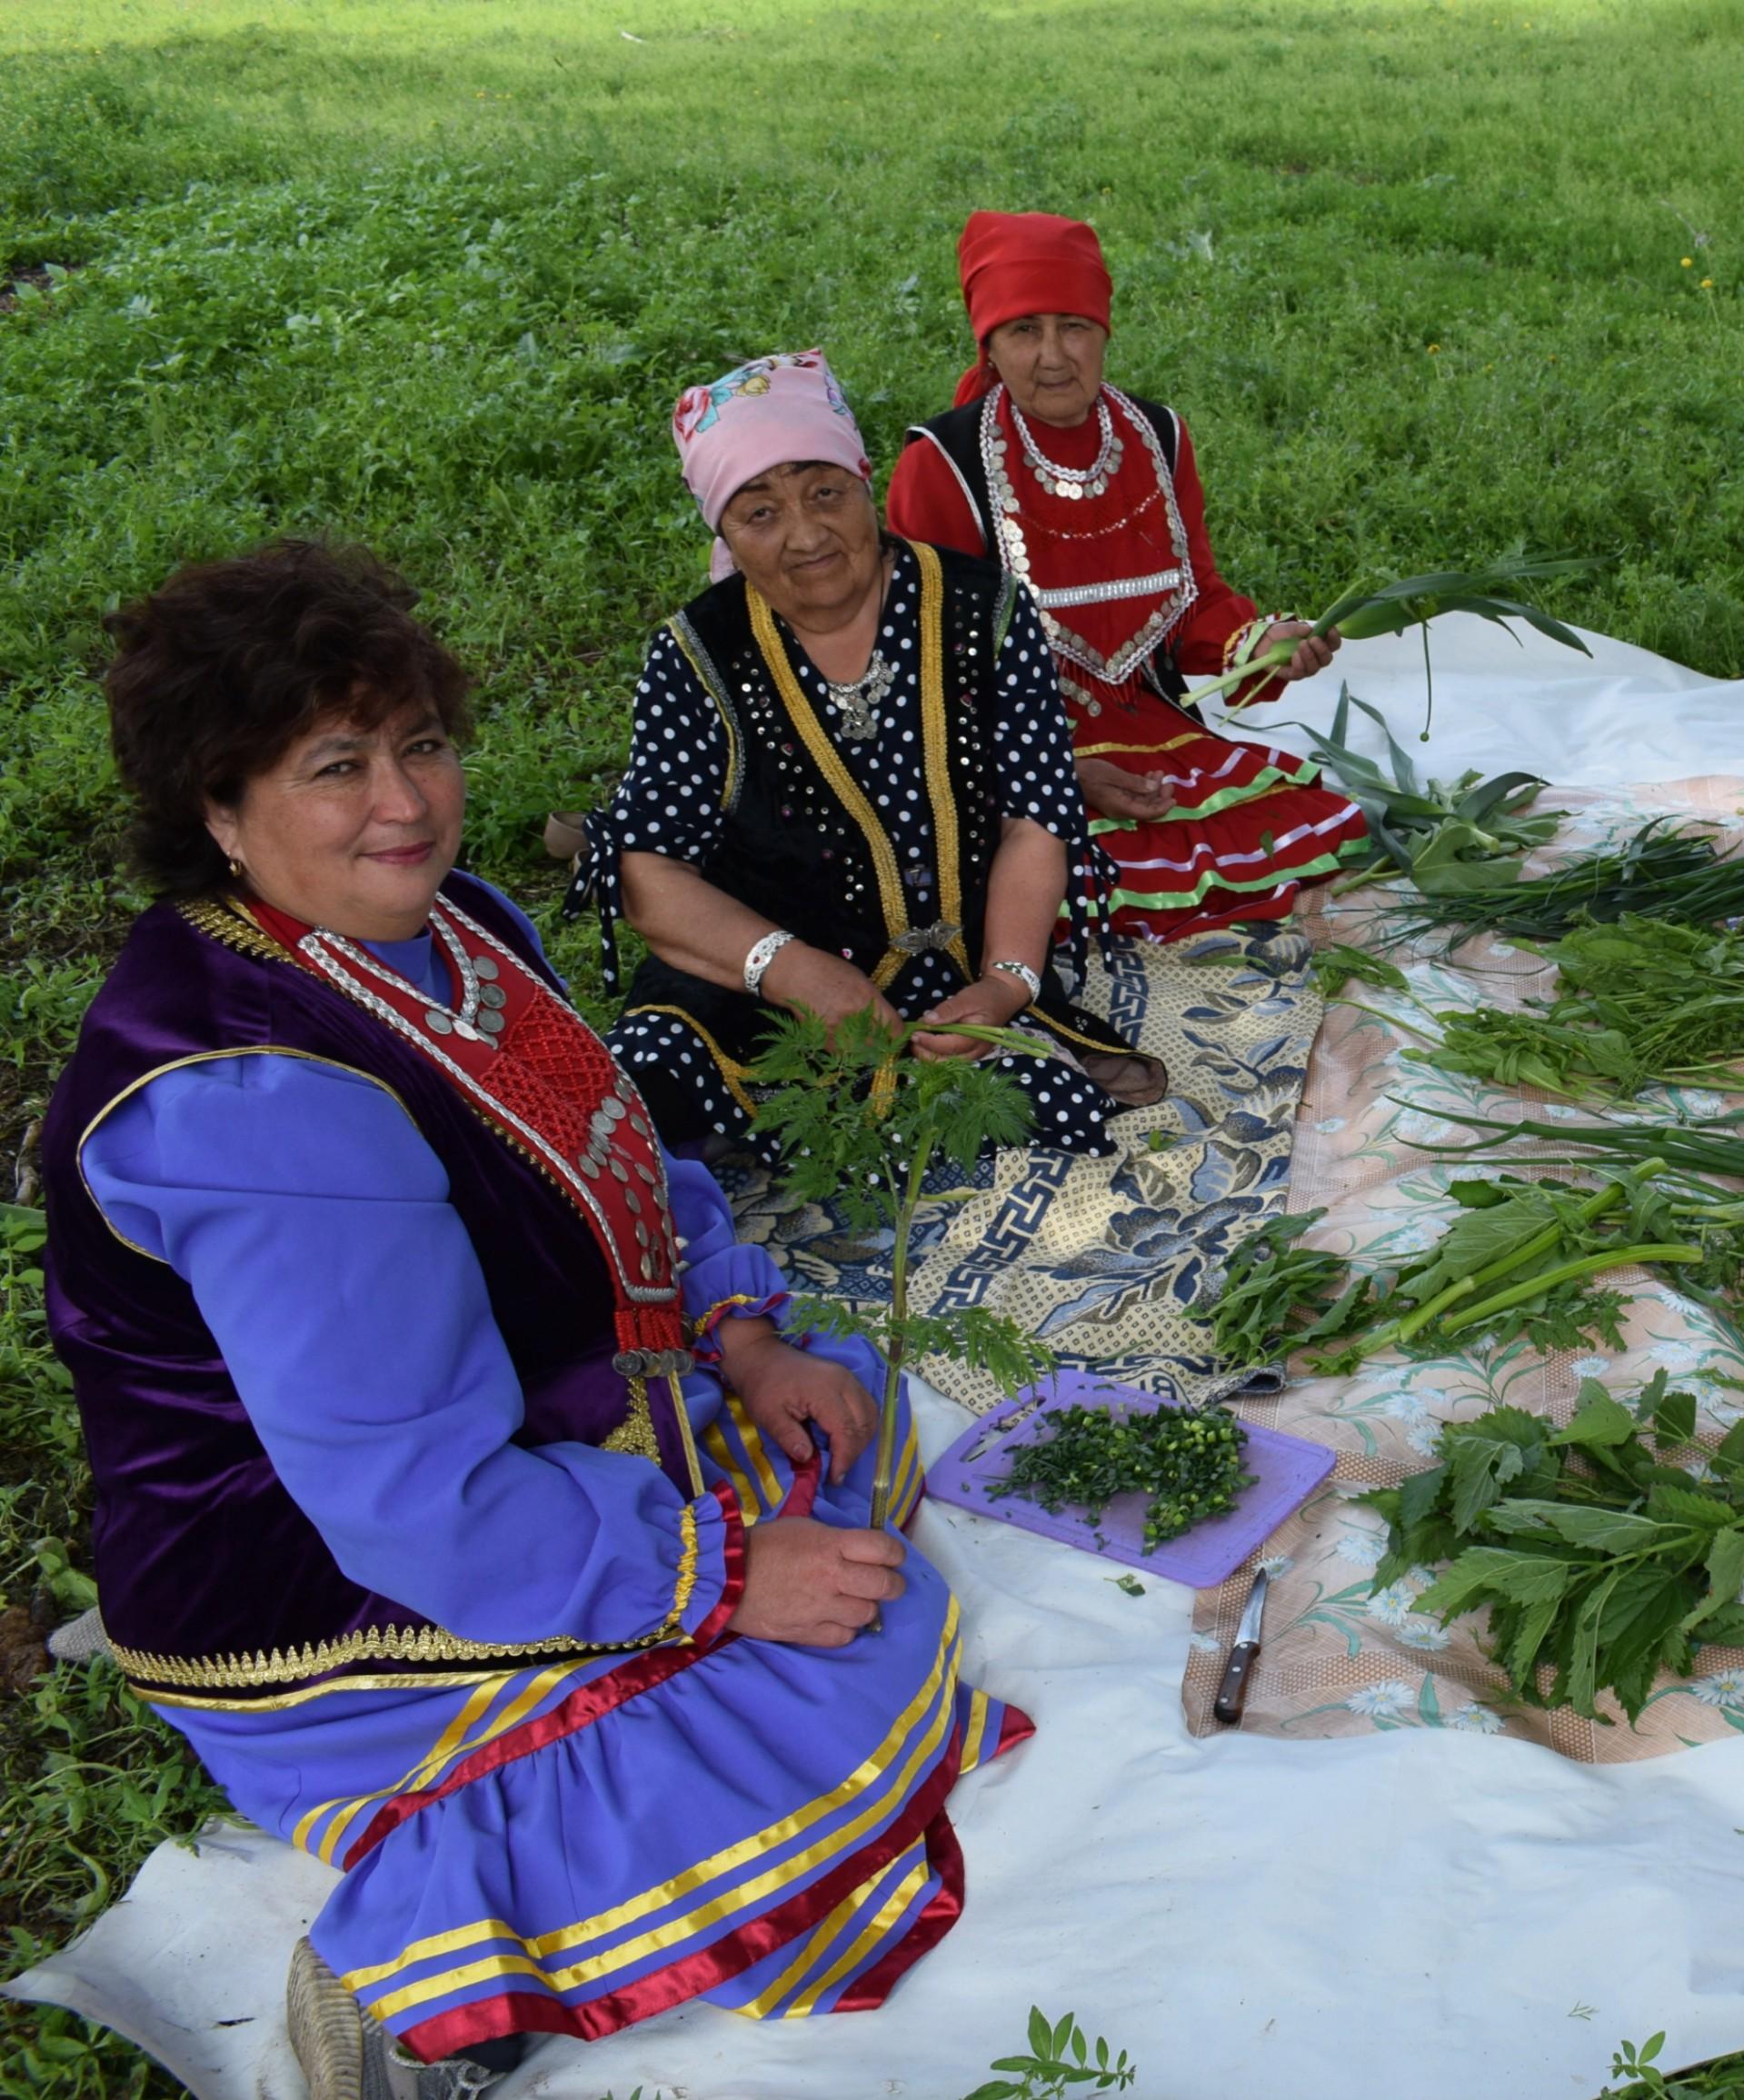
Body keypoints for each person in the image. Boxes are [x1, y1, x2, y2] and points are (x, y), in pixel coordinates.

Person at [38, 542, 1027, 2096]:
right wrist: (715, 1578)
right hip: (314, 1558)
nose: (406, 802)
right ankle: (418, 1967)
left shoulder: (450, 927)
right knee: (805, 1715)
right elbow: (406, 1499)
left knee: (839, 1428)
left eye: (421, 742)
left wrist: (741, 1339)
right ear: (217, 811)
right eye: (336, 766)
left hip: (516, 1426)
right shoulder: (255, 1101)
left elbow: (627, 1157)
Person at [575, 347, 1164, 1158]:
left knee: (1048, 1112)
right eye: (760, 512)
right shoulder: (697, 655)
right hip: (764, 985)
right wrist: (794, 971)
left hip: (958, 970)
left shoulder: (980, 609)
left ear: (865, 483)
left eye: (825, 493)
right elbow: (648, 873)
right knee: (635, 1107)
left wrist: (1003, 984)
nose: (806, 534)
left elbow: (1036, 817)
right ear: (724, 530)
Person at [886, 211, 1365, 937]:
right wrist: (1043, 768)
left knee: (1314, 827)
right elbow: (927, 660)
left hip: (1155, 725)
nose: (1052, 356)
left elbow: (1193, 595)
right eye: (1023, 331)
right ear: (986, 344)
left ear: (1105, 330)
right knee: (1056, 885)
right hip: (1021, 745)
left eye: (1072, 326)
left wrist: (1261, 642)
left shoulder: (1157, 436)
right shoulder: (943, 465)